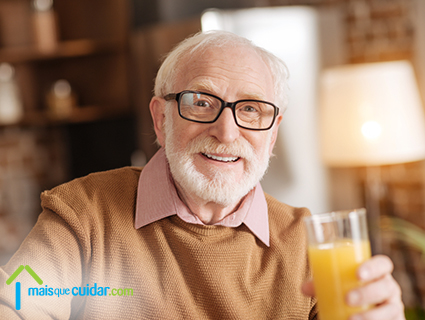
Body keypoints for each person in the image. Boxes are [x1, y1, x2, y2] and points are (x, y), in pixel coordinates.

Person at [0, 31, 404, 319]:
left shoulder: (309, 244)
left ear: (273, 131)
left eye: (250, 109)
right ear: (161, 119)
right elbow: (15, 301)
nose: (226, 132)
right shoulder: (83, 214)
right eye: (200, 102)